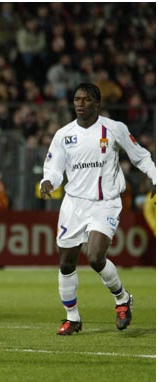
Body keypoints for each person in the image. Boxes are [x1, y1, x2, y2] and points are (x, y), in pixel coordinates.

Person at [40, 83, 156, 335]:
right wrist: (47, 181)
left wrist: (155, 177)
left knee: (94, 257)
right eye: (77, 99)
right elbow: (54, 170)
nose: (80, 104)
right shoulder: (63, 135)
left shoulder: (114, 128)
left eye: (86, 99)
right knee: (66, 264)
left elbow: (139, 155)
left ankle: (122, 299)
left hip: (105, 202)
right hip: (74, 204)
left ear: (98, 103)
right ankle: (72, 318)